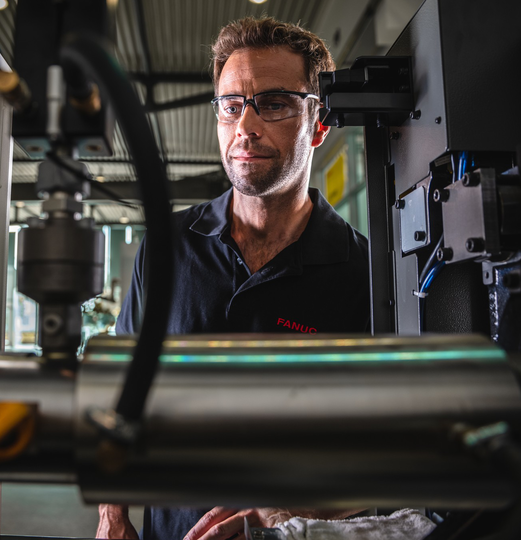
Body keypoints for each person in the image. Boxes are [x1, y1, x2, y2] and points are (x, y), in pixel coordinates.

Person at [97, 16, 371, 540]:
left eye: (272, 103)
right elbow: (121, 388)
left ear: (318, 123)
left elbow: (379, 455)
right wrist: (113, 516)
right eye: (232, 105)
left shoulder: (361, 271)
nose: (246, 126)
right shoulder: (167, 247)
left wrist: (278, 517)